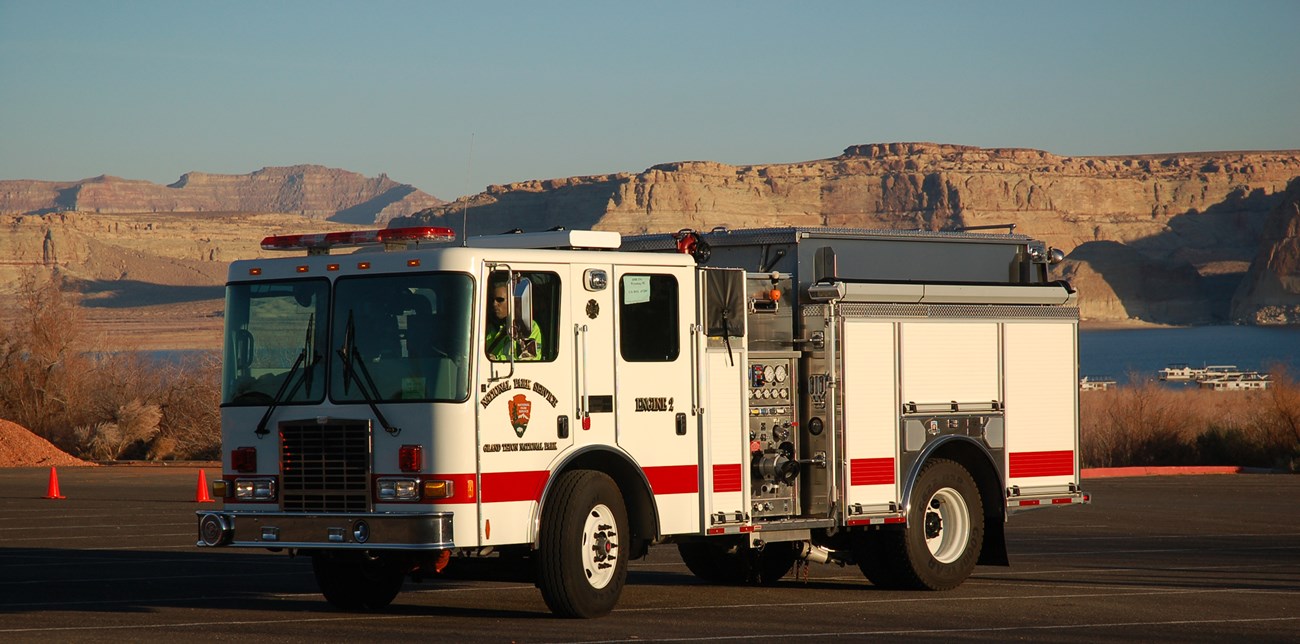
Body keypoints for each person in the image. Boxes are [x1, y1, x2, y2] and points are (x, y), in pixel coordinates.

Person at [485, 278, 543, 361]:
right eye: (492, 300)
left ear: (513, 302)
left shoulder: (528, 326)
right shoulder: (491, 328)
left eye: (500, 300)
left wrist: (497, 359)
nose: (494, 304)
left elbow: (528, 360)